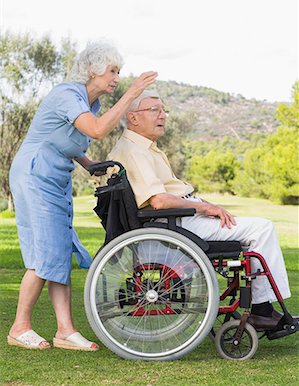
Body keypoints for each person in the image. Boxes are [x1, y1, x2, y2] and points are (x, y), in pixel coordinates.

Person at [8, 41, 158, 350]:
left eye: (119, 72)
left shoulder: (92, 105)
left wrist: (91, 165)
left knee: (60, 250)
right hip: (35, 174)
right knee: (45, 251)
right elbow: (97, 131)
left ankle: (65, 330)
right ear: (92, 70)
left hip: (56, 177)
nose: (117, 78)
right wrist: (132, 94)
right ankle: (19, 327)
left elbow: (70, 143)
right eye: (113, 71)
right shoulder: (67, 95)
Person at [109, 90, 295, 330]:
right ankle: (261, 309)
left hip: (178, 218)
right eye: (154, 110)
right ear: (133, 117)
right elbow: (158, 201)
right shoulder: (134, 151)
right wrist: (204, 207)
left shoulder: (143, 148)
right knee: (262, 229)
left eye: (164, 110)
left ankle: (261, 306)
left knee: (252, 230)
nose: (163, 115)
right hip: (174, 223)